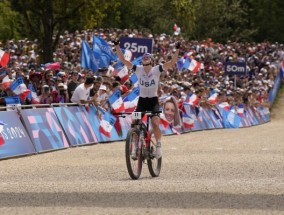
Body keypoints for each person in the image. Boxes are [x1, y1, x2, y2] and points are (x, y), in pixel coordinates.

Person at [114, 38, 181, 159]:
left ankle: (159, 146)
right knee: (135, 123)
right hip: (142, 101)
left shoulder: (157, 69)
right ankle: (135, 147)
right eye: (144, 56)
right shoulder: (138, 69)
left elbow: (172, 62)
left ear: (151, 60)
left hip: (153, 101)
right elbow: (123, 60)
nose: (145, 57)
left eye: (148, 56)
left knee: (155, 124)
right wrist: (117, 46)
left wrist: (177, 49)